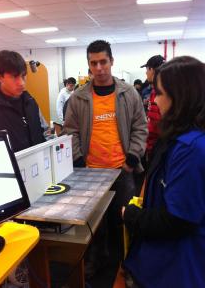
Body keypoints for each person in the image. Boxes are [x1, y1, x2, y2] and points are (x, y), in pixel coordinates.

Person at [62, 40, 148, 276]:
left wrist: (132, 158)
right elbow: (71, 131)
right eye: (93, 63)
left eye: (103, 62)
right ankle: (98, 260)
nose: (99, 67)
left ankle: (129, 263)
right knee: (94, 225)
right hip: (91, 173)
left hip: (122, 171)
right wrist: (79, 161)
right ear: (89, 65)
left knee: (125, 221)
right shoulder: (78, 98)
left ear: (112, 61)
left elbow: (141, 127)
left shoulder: (128, 93)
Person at [122, 56, 205, 288]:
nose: (154, 100)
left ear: (180, 97)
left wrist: (131, 216)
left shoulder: (191, 149)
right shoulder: (178, 138)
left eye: (159, 93)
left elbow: (178, 220)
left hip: (177, 268)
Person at [0, 50, 46, 152]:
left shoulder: (30, 101)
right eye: (15, 77)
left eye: (23, 76)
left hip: (37, 164)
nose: (21, 83)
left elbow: (43, 132)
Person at [140, 55, 165, 159]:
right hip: (153, 147)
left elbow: (158, 125)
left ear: (152, 69)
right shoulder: (154, 91)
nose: (146, 72)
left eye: (147, 69)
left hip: (158, 149)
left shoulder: (162, 93)